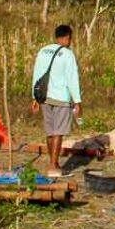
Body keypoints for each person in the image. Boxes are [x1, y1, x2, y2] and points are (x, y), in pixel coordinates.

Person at [31, 24, 82, 178]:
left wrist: (34, 97)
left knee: (50, 131)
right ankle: (53, 165)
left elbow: (37, 74)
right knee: (59, 131)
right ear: (67, 37)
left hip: (44, 96)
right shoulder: (67, 54)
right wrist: (77, 101)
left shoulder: (43, 51)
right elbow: (72, 78)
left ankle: (53, 163)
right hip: (61, 97)